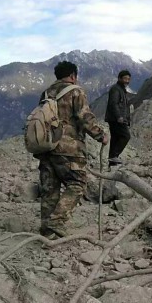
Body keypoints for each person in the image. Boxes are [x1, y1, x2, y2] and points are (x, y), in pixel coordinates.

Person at [37, 61, 108, 239]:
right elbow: (84, 117)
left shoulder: (46, 94)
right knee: (77, 184)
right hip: (68, 148)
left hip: (46, 147)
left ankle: (46, 230)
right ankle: (57, 221)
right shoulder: (76, 91)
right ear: (73, 76)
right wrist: (100, 135)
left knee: (50, 188)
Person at [105, 70, 132, 166]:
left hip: (116, 119)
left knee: (115, 139)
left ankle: (112, 163)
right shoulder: (116, 89)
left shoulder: (121, 90)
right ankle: (114, 156)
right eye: (125, 78)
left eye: (128, 79)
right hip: (116, 119)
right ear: (119, 78)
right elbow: (114, 104)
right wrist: (119, 117)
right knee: (126, 136)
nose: (127, 81)